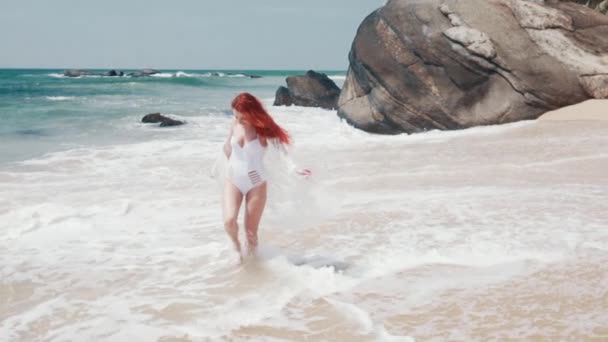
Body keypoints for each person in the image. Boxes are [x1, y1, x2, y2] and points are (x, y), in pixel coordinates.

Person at [222, 92, 291, 262]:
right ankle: (236, 247)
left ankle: (253, 267)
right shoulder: (235, 124)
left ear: (252, 113)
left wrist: (295, 168)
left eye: (242, 116)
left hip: (256, 183)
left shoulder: (264, 130)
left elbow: (283, 153)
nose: (238, 120)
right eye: (236, 115)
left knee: (251, 232)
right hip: (233, 180)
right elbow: (227, 148)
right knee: (229, 221)